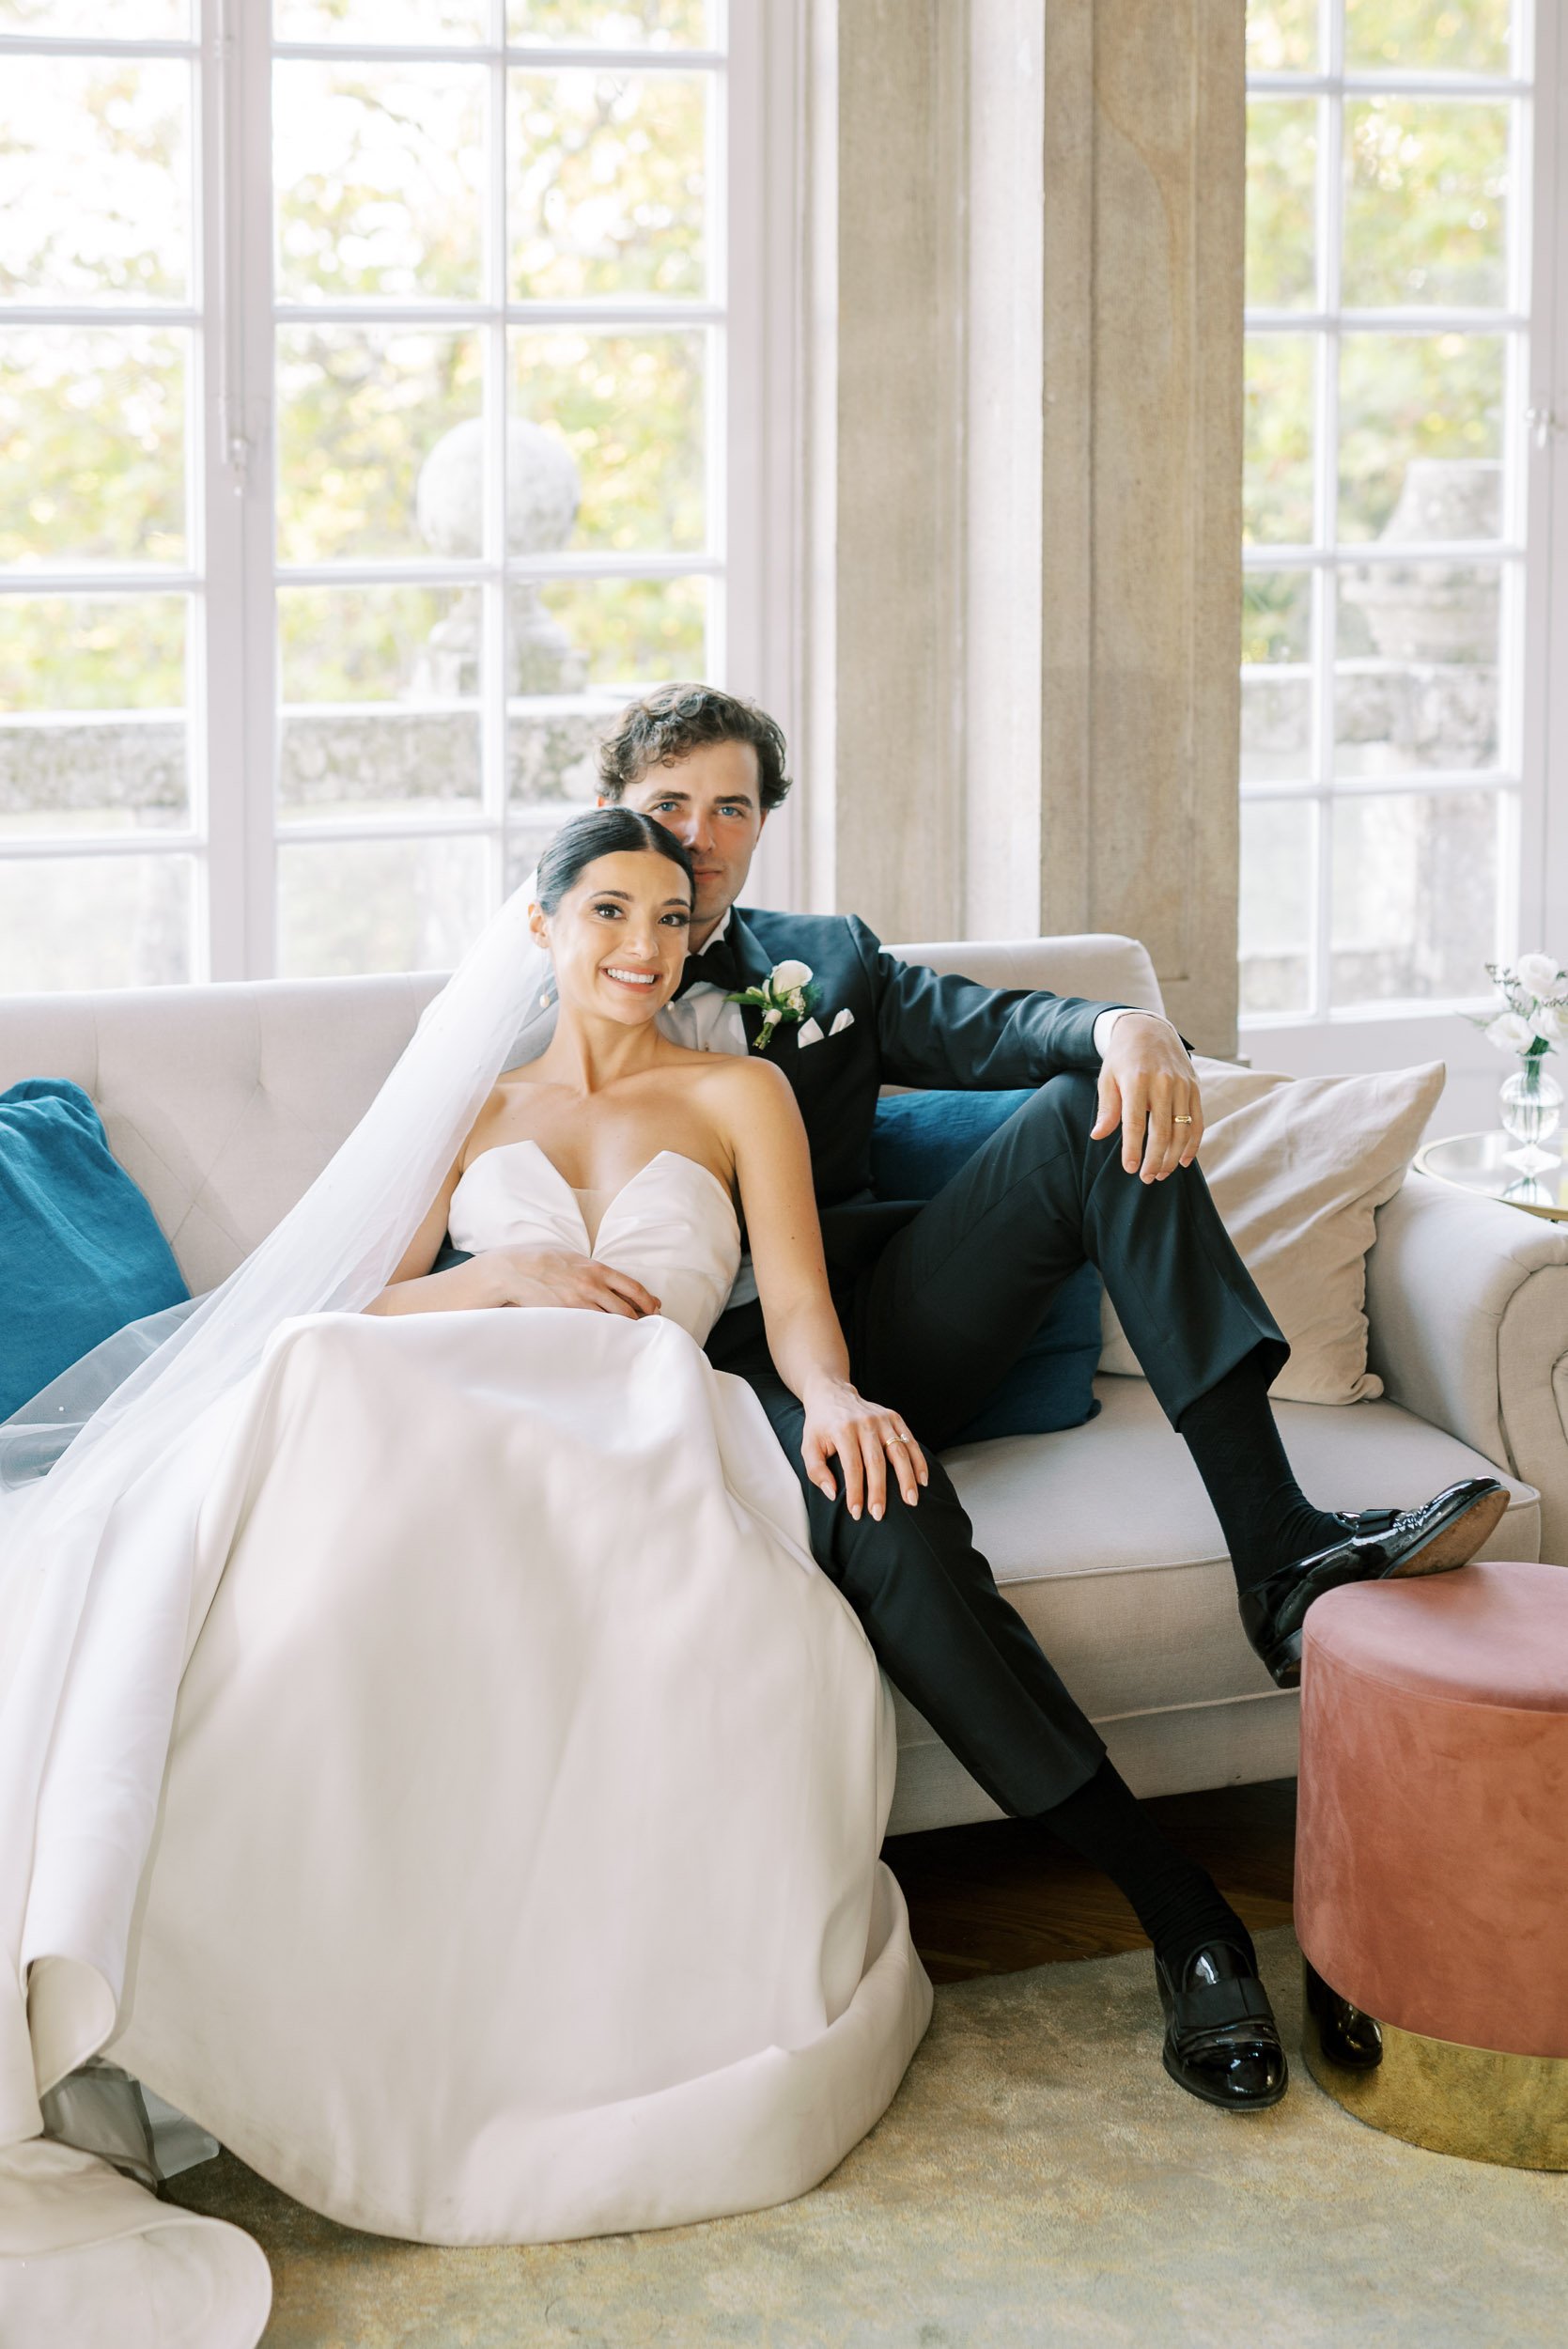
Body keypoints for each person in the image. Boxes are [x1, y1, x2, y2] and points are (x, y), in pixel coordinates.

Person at [498, 682, 1508, 2114]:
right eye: (670, 807)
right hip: (707, 1379)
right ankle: (1183, 1912)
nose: (701, 841)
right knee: (894, 1523)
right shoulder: (524, 987)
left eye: (733, 809)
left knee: (1082, 1113)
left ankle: (1276, 1545)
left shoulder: (822, 966)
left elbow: (996, 1023)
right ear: (605, 814)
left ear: (766, 827)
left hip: (866, 1327)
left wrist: (1121, 1034)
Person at [0, 811, 933, 2342]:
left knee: (695, 1617)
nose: (641, 946)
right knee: (317, 1410)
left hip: (637, 1402)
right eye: (608, 912)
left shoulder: (740, 1090)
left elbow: (796, 1312)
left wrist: (829, 1398)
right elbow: (348, 1295)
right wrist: (488, 1277)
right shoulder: (473, 1100)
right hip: (447, 1386)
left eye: (669, 919)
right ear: (545, 928)